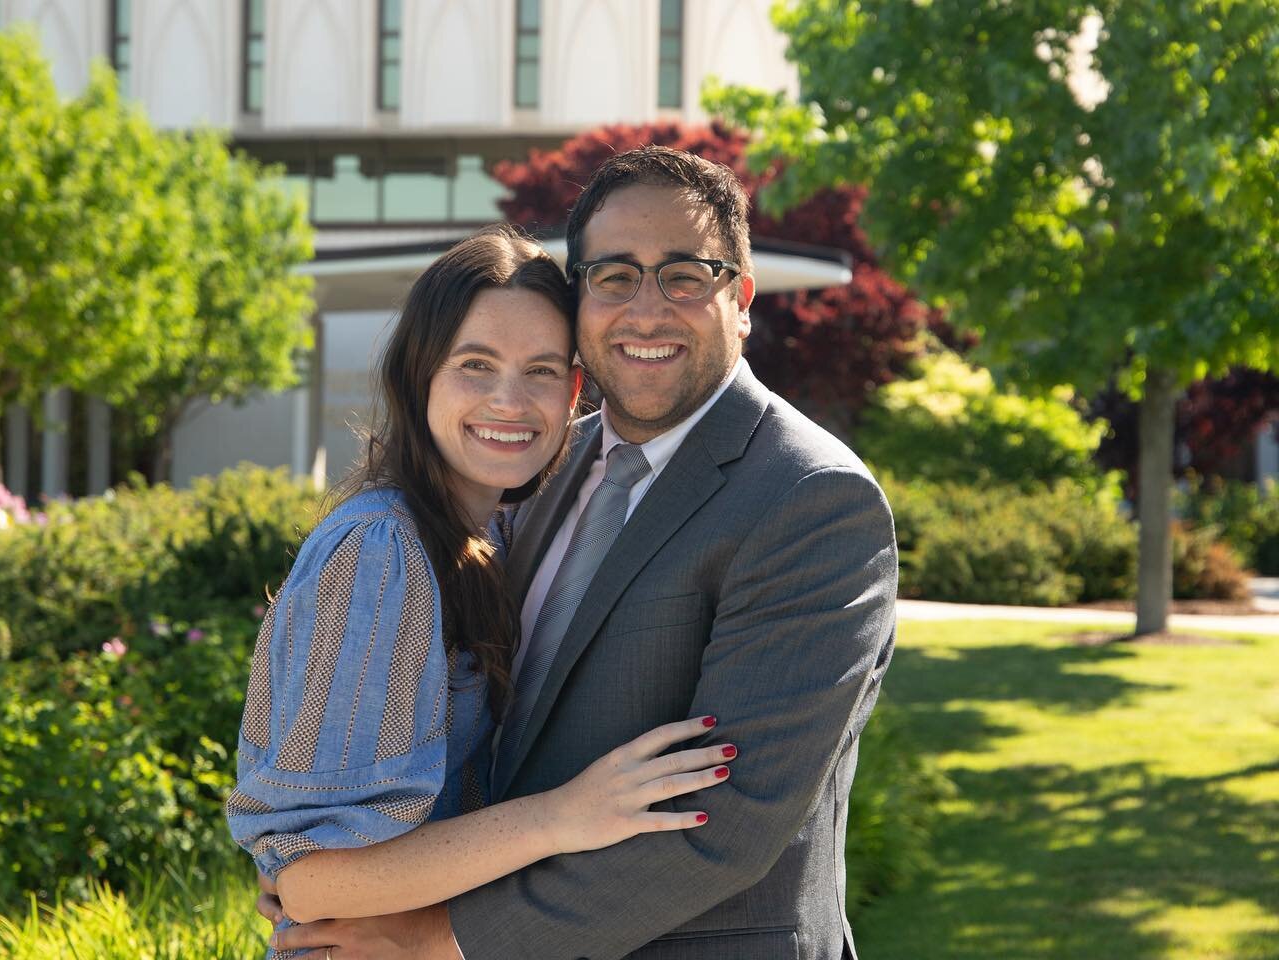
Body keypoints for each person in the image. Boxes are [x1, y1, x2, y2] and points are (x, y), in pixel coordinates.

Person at [262, 147, 899, 960]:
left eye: (684, 274)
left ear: (740, 298)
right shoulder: (540, 470)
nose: (646, 309)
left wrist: (433, 937)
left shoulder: (810, 499)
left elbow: (725, 828)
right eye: (614, 275)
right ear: (581, 297)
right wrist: (334, 878)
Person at [227, 226, 738, 960]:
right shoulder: (384, 548)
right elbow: (310, 884)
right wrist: (565, 816)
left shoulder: (489, 532)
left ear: (572, 392)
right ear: (418, 375)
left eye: (540, 371)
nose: (510, 400)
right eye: (476, 365)